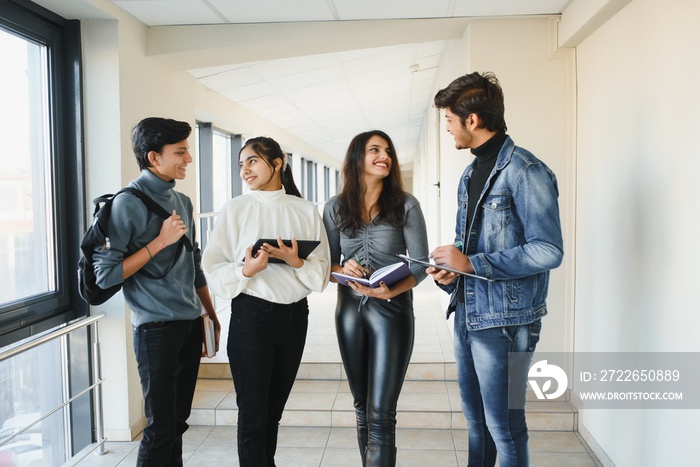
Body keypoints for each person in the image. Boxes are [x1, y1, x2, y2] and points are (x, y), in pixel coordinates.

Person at [429, 72, 564, 466]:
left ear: (472, 120)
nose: (449, 129)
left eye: (450, 121)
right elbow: (467, 245)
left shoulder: (526, 171)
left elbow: (548, 250)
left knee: (505, 426)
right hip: (468, 314)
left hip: (507, 323)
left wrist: (472, 262)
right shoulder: (470, 174)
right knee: (476, 423)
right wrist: (452, 268)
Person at [93, 117, 221, 466]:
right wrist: (160, 241)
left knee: (177, 425)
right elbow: (105, 276)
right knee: (161, 427)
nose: (188, 159)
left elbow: (193, 264)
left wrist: (208, 311)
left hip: (189, 323)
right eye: (180, 152)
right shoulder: (126, 203)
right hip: (155, 331)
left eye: (188, 150)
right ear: (153, 157)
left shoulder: (183, 201)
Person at [201, 136, 330, 467]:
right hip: (252, 319)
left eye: (253, 161)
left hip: (294, 319)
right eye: (241, 163)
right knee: (254, 416)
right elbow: (212, 266)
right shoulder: (235, 208)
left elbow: (321, 275)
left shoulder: (305, 210)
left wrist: (295, 260)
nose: (245, 169)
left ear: (277, 163)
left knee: (272, 413)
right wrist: (247, 269)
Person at [322, 130, 429, 467]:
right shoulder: (335, 207)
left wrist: (391, 291)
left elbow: (422, 264)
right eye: (374, 150)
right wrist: (344, 266)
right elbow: (325, 265)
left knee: (382, 412)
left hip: (392, 309)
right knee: (361, 407)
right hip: (349, 310)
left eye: (387, 151)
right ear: (358, 158)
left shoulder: (406, 204)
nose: (384, 156)